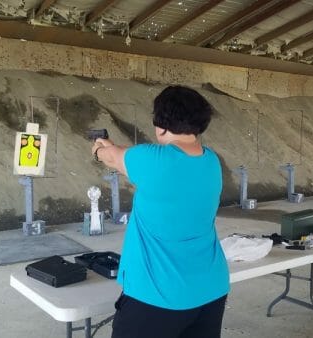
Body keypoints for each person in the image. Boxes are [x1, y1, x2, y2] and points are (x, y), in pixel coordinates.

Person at [91, 85, 229, 338]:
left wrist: (100, 149)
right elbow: (137, 160)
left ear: (161, 124)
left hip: (157, 296)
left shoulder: (152, 160)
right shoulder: (211, 161)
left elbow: (112, 158)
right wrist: (116, 149)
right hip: (210, 290)